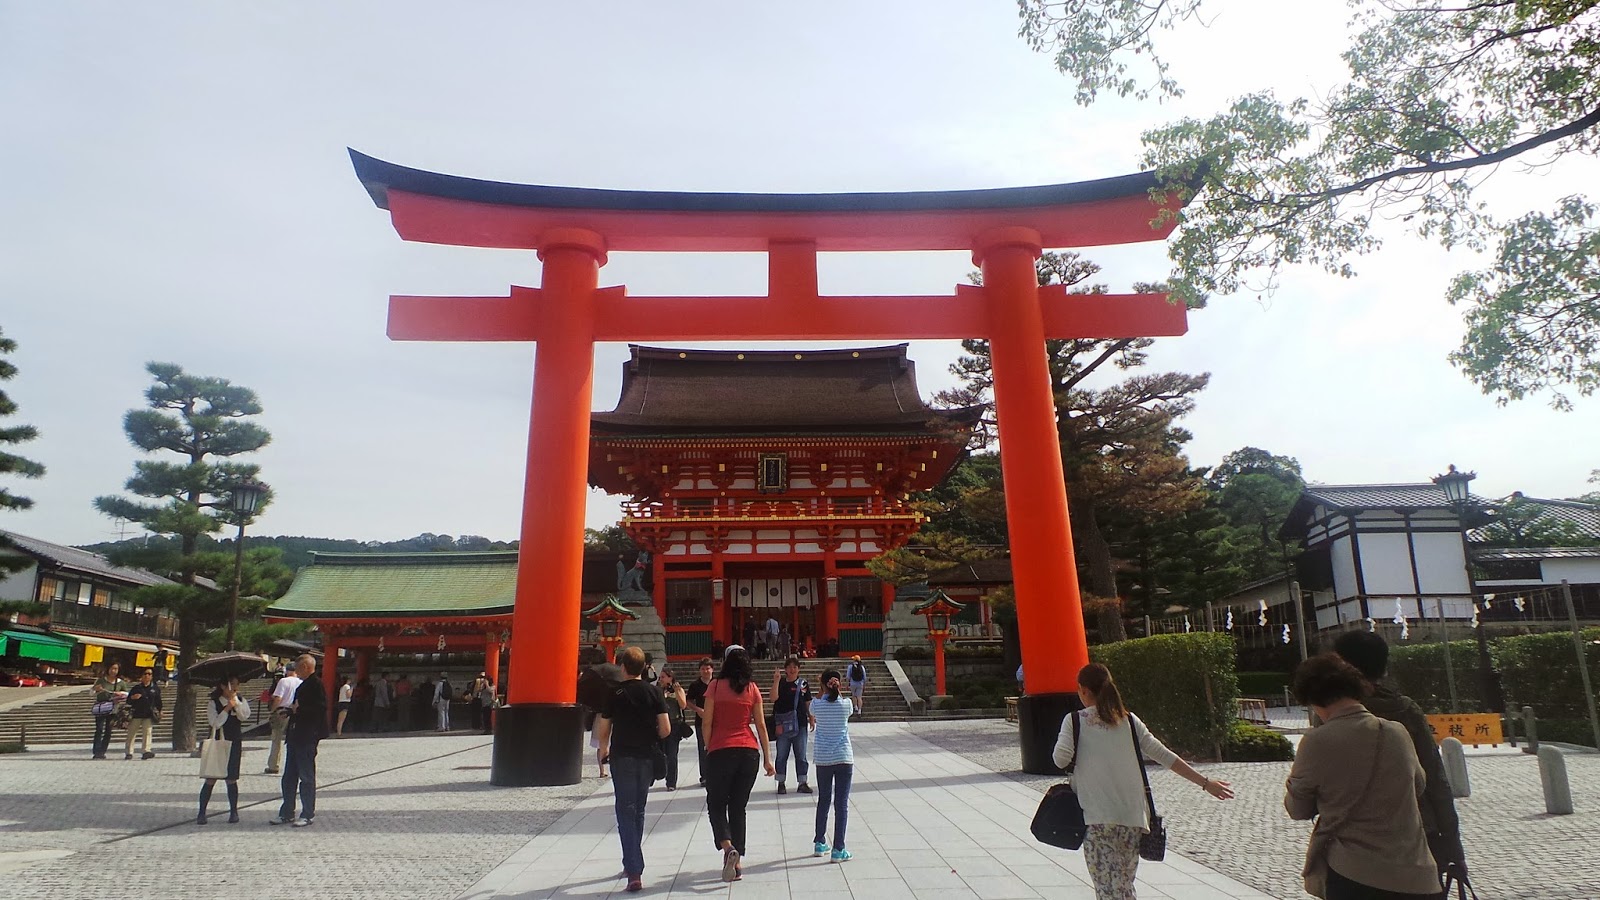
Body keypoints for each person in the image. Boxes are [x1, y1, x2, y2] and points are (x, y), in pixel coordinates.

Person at [1053, 663, 1233, 900]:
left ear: (1084, 690)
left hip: (1098, 819)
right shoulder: (1129, 721)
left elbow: (1059, 759)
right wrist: (1205, 782)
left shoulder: (1075, 721)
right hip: (1133, 819)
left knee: (1109, 891)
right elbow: (1165, 756)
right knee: (1124, 888)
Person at [1286, 654, 1442, 899]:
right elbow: (1419, 785)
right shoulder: (1396, 732)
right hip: (1415, 872)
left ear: (1313, 700)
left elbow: (1298, 809)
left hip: (1354, 872)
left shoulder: (1317, 741)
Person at [1333, 630, 1466, 883]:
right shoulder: (1406, 710)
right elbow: (1436, 779)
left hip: (1354, 845)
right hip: (1418, 834)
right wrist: (1453, 846)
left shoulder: (1331, 715)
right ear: (1383, 667)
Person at [595, 646, 672, 894]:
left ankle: (634, 869)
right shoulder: (654, 692)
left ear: (623, 667)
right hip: (647, 757)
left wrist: (603, 749)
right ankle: (633, 861)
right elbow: (666, 728)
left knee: (625, 811)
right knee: (639, 810)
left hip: (623, 757)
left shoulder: (614, 693)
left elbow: (603, 729)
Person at [700, 645, 776, 883]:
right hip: (749, 752)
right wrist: (768, 758)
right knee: (738, 806)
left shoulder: (714, 686)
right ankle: (738, 861)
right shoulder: (752, 688)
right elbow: (762, 725)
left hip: (721, 750)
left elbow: (707, 721)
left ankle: (727, 847)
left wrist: (708, 745)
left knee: (716, 802)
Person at [270, 654, 327, 827]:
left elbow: (320, 709)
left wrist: (298, 709)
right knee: (289, 777)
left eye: (299, 667)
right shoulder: (303, 685)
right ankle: (287, 812)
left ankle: (308, 813)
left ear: (306, 667)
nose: (297, 670)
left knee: (306, 776)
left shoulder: (316, 685)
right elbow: (297, 709)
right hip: (295, 735)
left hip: (307, 736)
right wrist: (289, 711)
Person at [809, 667, 855, 862]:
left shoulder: (816, 705)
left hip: (823, 759)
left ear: (823, 685)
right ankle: (839, 848)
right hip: (844, 757)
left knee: (824, 800)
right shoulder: (846, 705)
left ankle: (820, 842)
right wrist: (835, 689)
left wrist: (822, 688)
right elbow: (841, 700)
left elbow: (815, 704)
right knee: (841, 804)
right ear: (839, 685)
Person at [197, 675, 250, 825]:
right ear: (223, 686)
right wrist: (226, 709)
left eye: (236, 685)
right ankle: (202, 812)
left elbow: (245, 716)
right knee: (211, 777)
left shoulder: (240, 699)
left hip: (234, 741)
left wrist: (236, 705)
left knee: (231, 778)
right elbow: (215, 722)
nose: (234, 688)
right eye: (231, 685)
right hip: (219, 741)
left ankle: (233, 811)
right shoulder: (214, 703)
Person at [770, 655, 812, 795]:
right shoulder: (781, 683)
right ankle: (781, 782)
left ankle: (802, 782)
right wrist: (776, 681)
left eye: (795, 667)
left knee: (801, 755)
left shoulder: (803, 684)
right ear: (785, 669)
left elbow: (807, 702)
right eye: (789, 667)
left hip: (800, 723)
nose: (792, 669)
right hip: (782, 723)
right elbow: (773, 698)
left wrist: (811, 717)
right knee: (782, 754)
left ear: (798, 669)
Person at [265, 663, 302, 774]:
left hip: (282, 711)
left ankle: (273, 765)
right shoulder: (301, 682)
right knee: (295, 740)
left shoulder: (284, 681)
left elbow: (278, 698)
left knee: (276, 739)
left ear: (288, 671)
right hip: (295, 712)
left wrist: (272, 710)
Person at [684, 656, 714, 786]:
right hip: (700, 722)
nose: (705, 671)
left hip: (716, 720)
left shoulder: (717, 683)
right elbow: (688, 702)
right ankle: (704, 776)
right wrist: (698, 710)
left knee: (717, 748)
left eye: (707, 668)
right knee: (703, 749)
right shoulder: (695, 685)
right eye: (703, 669)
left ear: (712, 669)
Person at [658, 667, 689, 790]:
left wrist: (676, 692)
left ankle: (671, 781)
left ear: (670, 678)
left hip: (674, 724)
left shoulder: (678, 689)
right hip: (660, 724)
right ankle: (659, 774)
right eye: (660, 677)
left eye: (663, 677)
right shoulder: (658, 690)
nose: (661, 679)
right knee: (661, 753)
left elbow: (683, 705)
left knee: (672, 754)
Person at [123, 668, 163, 760]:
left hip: (148, 714)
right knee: (131, 734)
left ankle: (146, 751)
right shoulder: (136, 688)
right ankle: (129, 752)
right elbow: (128, 700)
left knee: (148, 733)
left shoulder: (155, 688)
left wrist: (160, 710)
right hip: (136, 714)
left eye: (149, 674)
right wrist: (133, 697)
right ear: (141, 676)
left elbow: (158, 701)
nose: (147, 676)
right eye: (145, 674)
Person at [90, 663, 127, 760]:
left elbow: (127, 694)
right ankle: (96, 751)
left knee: (108, 730)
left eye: (116, 669)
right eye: (112, 668)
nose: (113, 671)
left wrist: (120, 693)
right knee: (99, 729)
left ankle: (102, 751)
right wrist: (95, 689)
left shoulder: (120, 682)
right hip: (101, 708)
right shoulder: (101, 680)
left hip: (113, 709)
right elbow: (91, 693)